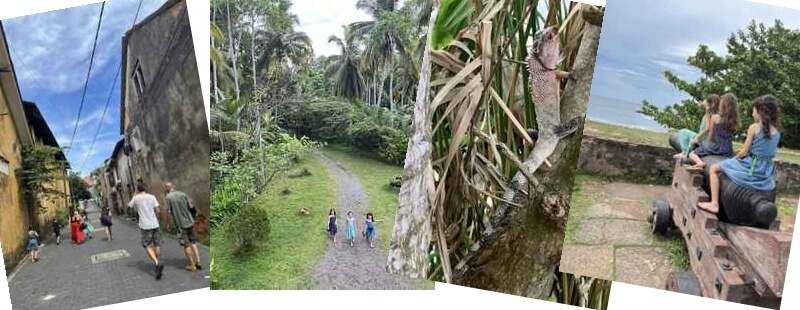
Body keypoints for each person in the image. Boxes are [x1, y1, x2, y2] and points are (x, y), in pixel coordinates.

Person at [699, 94, 782, 214]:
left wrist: (734, 157)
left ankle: (714, 204)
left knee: (713, 169)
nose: (752, 113)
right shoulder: (777, 132)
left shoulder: (754, 127)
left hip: (752, 167)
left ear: (760, 111)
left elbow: (744, 152)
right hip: (765, 171)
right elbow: (767, 152)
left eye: (753, 110)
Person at [688, 93, 739, 169]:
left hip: (715, 148)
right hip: (727, 149)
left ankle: (700, 163)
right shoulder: (734, 121)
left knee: (692, 154)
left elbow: (710, 136)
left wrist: (706, 145)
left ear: (722, 105)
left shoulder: (715, 118)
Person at [127, 184, 165, 280]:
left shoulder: (136, 198)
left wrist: (134, 195)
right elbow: (158, 210)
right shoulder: (152, 196)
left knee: (147, 245)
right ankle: (158, 260)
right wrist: (156, 217)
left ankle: (156, 263)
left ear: (137, 190)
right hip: (155, 224)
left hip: (145, 225)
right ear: (145, 188)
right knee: (157, 244)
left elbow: (129, 206)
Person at [164, 182, 202, 272]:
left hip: (180, 225)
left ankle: (192, 265)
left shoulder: (168, 197)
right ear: (174, 186)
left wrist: (168, 224)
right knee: (193, 242)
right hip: (190, 222)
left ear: (166, 189)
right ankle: (199, 262)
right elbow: (191, 206)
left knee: (186, 245)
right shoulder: (183, 194)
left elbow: (169, 212)